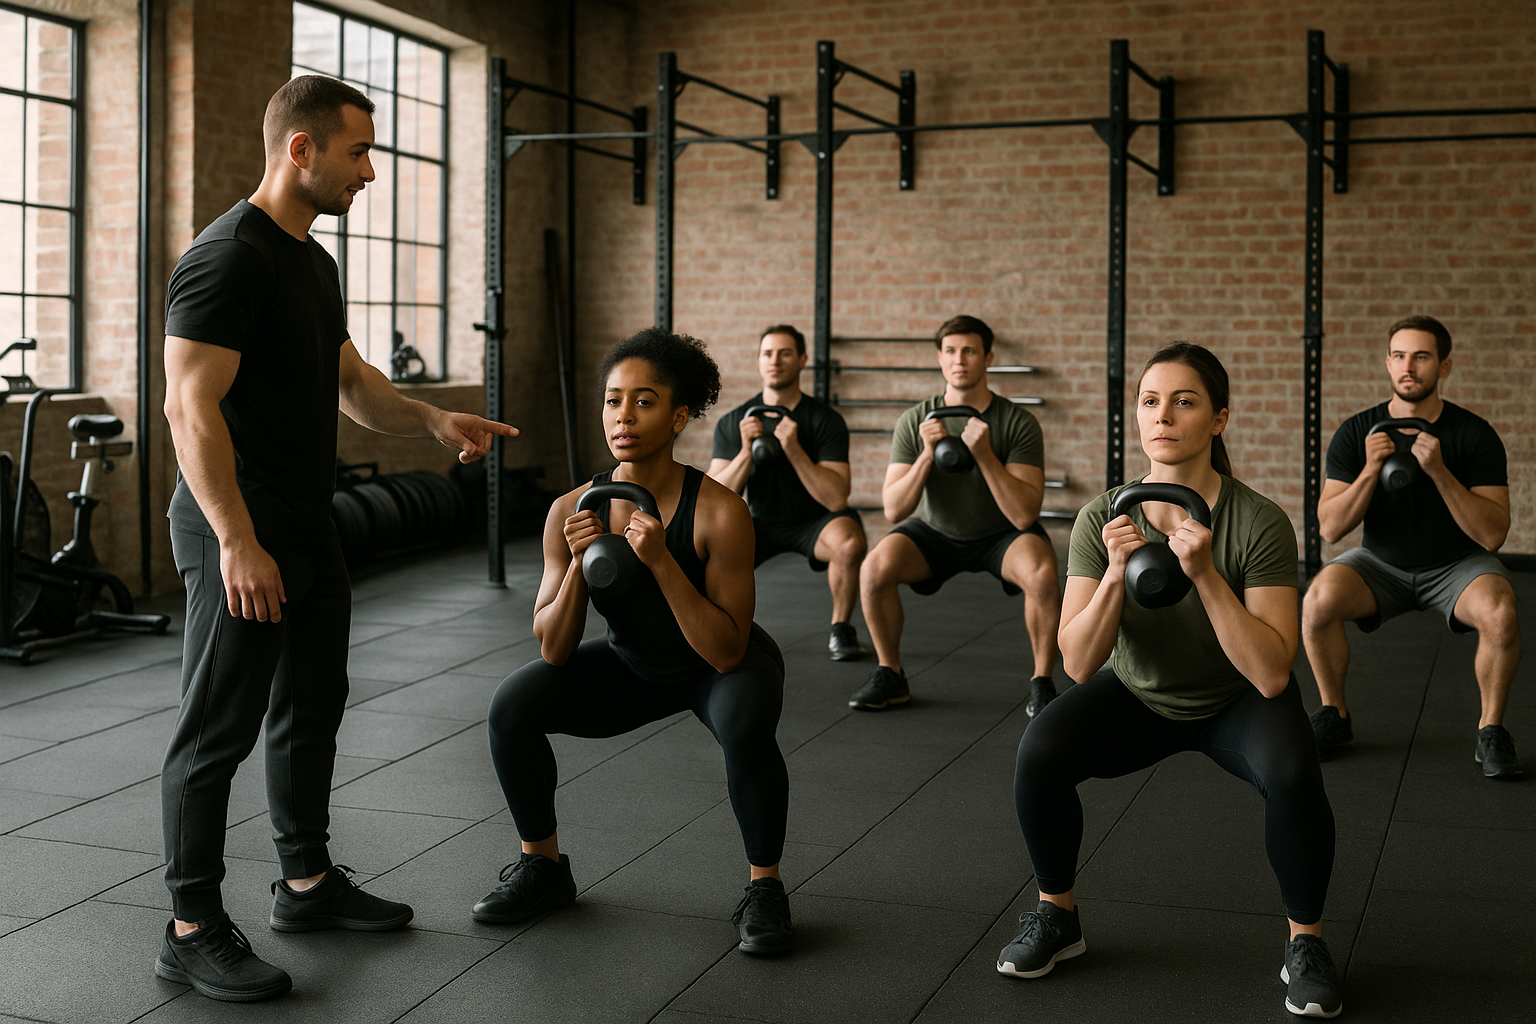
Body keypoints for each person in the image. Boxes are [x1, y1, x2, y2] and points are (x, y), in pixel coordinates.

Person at [157, 76, 518, 1002]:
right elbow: (188, 410)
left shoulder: (309, 260)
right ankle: (190, 926)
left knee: (312, 704)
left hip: (307, 524)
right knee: (217, 729)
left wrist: (436, 421)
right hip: (238, 526)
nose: (370, 171)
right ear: (300, 149)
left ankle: (306, 883)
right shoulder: (226, 258)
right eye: (358, 152)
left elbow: (350, 381)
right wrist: (237, 541)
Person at [1004, 342, 1342, 1018]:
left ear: (1218, 418)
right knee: (1039, 751)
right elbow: (1074, 662)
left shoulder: (1259, 520)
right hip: (1138, 693)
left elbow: (1274, 673)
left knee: (1295, 771)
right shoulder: (1105, 517)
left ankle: (1306, 943)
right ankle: (1057, 914)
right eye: (1151, 401)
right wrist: (1111, 574)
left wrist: (1207, 574)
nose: (1163, 415)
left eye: (1184, 401)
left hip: (1236, 700)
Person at [476, 327, 794, 956]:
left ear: (679, 416)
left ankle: (766, 890)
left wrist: (662, 563)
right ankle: (543, 868)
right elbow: (554, 650)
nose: (624, 416)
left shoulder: (719, 511)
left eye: (644, 401)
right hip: (633, 665)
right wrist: (575, 564)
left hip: (718, 664)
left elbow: (727, 650)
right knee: (513, 706)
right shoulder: (573, 507)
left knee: (748, 721)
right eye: (614, 400)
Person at [1303, 315, 1520, 779]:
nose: (1409, 367)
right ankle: (1334, 716)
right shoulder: (1358, 432)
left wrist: (1439, 470)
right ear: (1387, 363)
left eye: (1421, 356)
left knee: (1501, 614)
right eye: (1399, 356)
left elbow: (1492, 535)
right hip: (1380, 563)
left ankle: (1491, 729)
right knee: (1317, 600)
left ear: (1444, 366)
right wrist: (1368, 468)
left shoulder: (1473, 434)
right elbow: (1329, 529)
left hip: (1459, 564)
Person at [851, 314, 1060, 713]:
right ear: (940, 358)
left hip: (1001, 535)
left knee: (1042, 573)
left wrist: (984, 456)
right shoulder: (916, 420)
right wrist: (927, 455)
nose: (959, 359)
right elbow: (895, 508)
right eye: (950, 351)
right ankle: (890, 674)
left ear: (988, 357)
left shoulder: (1017, 421)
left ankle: (1042, 681)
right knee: (874, 569)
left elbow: (1023, 515)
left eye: (969, 351)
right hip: (934, 532)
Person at [709, 324, 868, 661]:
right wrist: (745, 451)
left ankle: (841, 628)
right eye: (768, 354)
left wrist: (793, 448)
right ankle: (722, 628)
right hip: (759, 523)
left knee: (849, 542)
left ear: (802, 360)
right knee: (704, 546)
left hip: (815, 523)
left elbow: (837, 498)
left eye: (785, 353)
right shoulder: (735, 421)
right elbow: (714, 497)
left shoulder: (824, 420)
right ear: (759, 361)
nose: (775, 361)